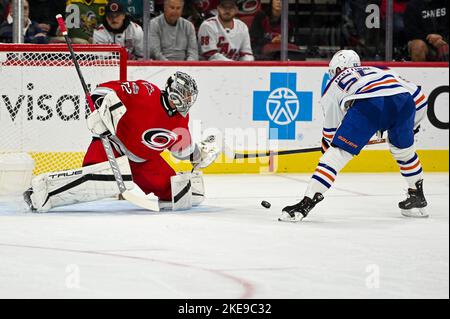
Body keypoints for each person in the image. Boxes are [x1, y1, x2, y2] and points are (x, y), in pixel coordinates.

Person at [24, 72, 220, 213]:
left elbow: (179, 149)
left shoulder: (181, 119)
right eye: (185, 93)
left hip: (145, 162)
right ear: (174, 90)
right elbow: (104, 91)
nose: (187, 99)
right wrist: (99, 111)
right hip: (113, 144)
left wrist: (198, 155)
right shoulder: (145, 91)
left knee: (183, 194)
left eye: (189, 96)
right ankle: (43, 192)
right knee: (98, 179)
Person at [279, 50, 429, 222]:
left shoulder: (334, 83)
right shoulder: (380, 69)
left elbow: (331, 133)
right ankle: (418, 197)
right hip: (404, 102)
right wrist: (411, 127)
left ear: (336, 70)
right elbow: (419, 97)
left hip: (370, 104)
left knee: (336, 156)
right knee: (404, 152)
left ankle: (305, 203)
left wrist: (329, 148)